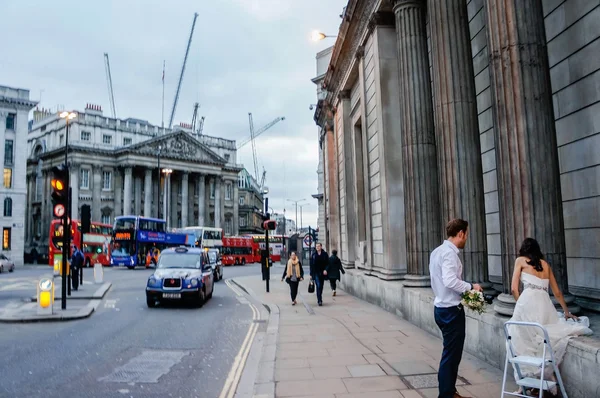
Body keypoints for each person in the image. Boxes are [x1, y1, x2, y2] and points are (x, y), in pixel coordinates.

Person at [507, 238, 592, 396]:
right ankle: (542, 377)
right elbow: (558, 292)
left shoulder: (520, 260)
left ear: (524, 250)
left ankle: (525, 383)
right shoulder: (545, 265)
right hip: (545, 305)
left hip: (526, 303)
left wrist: (520, 304)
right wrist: (566, 311)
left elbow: (513, 288)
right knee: (542, 339)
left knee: (518, 339)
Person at [429, 219, 482, 398]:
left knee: (450, 353)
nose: (467, 238)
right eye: (467, 234)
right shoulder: (449, 254)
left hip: (441, 307)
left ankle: (450, 391)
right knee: (451, 355)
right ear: (460, 233)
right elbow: (450, 281)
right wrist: (470, 287)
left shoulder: (437, 251)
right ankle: (446, 394)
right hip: (450, 310)